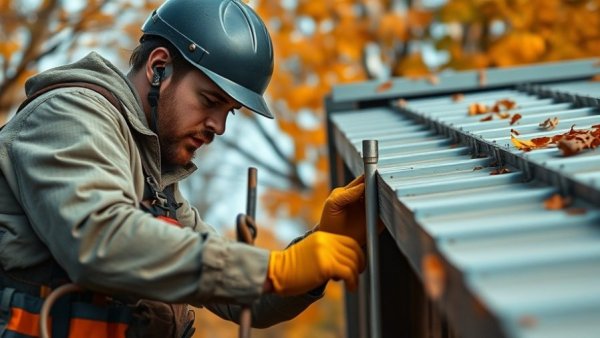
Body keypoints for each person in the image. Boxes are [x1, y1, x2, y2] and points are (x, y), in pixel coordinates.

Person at [0, 0, 369, 337]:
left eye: (229, 113)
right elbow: (99, 240)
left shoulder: (154, 180)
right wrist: (272, 269)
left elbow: (242, 297)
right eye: (210, 101)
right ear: (159, 67)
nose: (218, 127)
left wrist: (316, 254)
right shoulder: (69, 115)